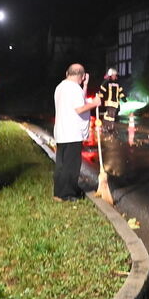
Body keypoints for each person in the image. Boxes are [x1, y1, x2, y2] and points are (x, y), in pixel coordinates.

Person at [54, 63, 102, 201]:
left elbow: (79, 100)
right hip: (72, 132)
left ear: (67, 73)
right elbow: (80, 109)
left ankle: (59, 192)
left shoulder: (61, 87)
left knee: (62, 164)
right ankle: (67, 194)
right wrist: (95, 103)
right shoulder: (73, 89)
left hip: (62, 132)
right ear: (81, 76)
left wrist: (85, 86)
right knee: (71, 166)